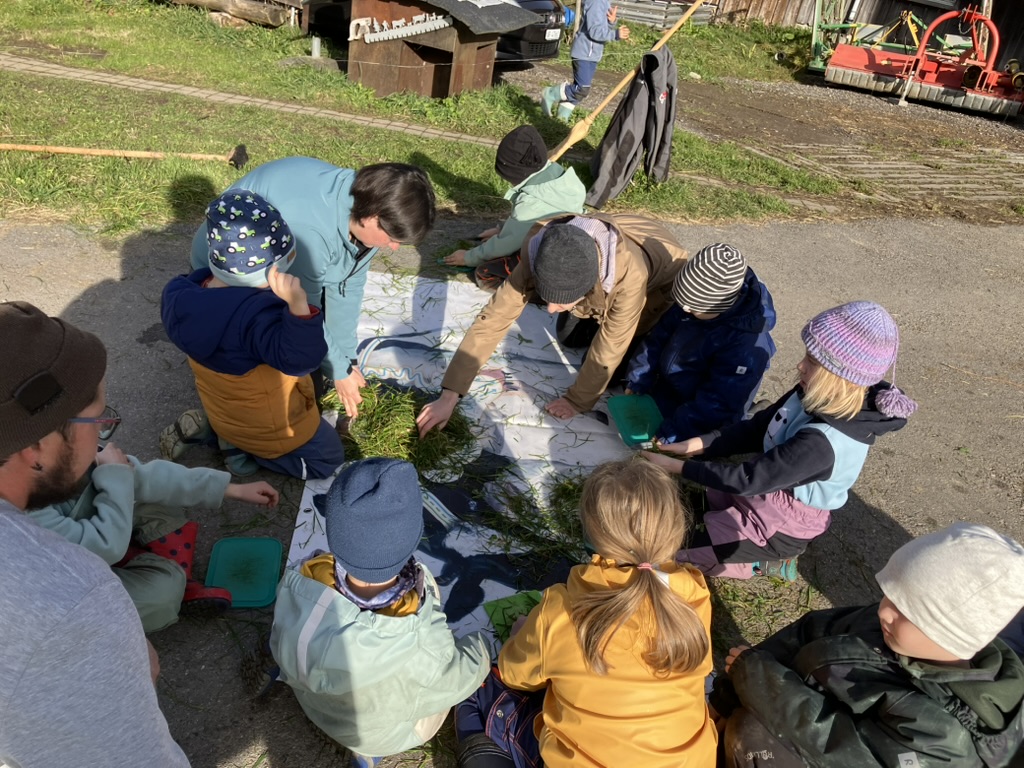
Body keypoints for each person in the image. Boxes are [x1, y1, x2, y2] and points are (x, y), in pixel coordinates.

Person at [0, 301, 189, 766]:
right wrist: (112, 650)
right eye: (96, 421)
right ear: (37, 447)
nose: (103, 435)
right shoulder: (69, 597)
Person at [454, 459, 717, 768]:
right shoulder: (694, 594)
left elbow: (517, 676)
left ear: (590, 534)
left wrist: (522, 635)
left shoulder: (562, 611)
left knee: (474, 685)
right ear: (675, 527)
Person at [711, 522, 1024, 768]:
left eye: (905, 609)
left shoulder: (944, 738)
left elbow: (834, 745)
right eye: (889, 594)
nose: (884, 610)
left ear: (950, 634)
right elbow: (807, 631)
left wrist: (756, 679)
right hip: (790, 698)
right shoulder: (893, 628)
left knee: (750, 734)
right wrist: (727, 694)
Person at [643, 300, 917, 580]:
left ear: (840, 377)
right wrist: (701, 444)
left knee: (672, 548)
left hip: (781, 524)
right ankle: (740, 539)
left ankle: (761, 561)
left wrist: (679, 467)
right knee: (689, 508)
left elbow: (749, 478)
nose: (800, 365)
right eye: (806, 356)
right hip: (765, 487)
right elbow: (759, 426)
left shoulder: (822, 444)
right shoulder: (812, 391)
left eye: (812, 362)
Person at [270, 458, 491, 767]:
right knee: (430, 703)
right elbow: (455, 681)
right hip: (374, 734)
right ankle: (369, 752)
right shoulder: (420, 642)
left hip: (312, 702)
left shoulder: (299, 580)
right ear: (414, 538)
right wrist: (482, 649)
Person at [189, 158, 436, 418]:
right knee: (264, 366)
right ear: (372, 217)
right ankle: (231, 421)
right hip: (230, 274)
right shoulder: (309, 234)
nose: (393, 247)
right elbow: (305, 310)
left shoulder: (371, 204)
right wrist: (338, 371)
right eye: (393, 239)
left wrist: (347, 360)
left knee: (314, 358)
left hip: (284, 267)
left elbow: (348, 286)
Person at [417, 213, 688, 436]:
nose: (549, 310)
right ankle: (587, 314)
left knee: (610, 373)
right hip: (604, 256)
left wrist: (577, 401)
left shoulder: (631, 279)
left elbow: (612, 345)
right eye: (547, 299)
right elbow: (494, 318)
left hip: (659, 280)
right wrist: (450, 394)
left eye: (560, 302)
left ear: (588, 288)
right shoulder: (544, 247)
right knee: (568, 337)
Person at [166, 189, 346, 479]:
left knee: (230, 415)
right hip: (267, 424)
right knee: (328, 460)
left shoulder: (180, 292)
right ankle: (242, 450)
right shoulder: (258, 318)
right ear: (272, 271)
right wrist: (298, 306)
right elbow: (302, 361)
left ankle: (223, 434)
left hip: (222, 407)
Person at [29, 441, 279, 631]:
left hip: (98, 539)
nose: (102, 436)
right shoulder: (26, 513)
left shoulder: (71, 447)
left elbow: (148, 478)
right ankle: (171, 585)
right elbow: (103, 548)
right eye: (94, 423)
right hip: (68, 586)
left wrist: (231, 489)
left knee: (153, 497)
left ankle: (158, 567)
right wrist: (115, 474)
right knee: (159, 597)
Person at [625, 243, 776, 444]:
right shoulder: (691, 305)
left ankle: (751, 418)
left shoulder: (745, 347)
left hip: (709, 409)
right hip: (676, 388)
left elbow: (717, 402)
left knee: (701, 437)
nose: (685, 309)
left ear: (718, 305)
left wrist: (670, 434)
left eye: (692, 307)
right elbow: (657, 340)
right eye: (682, 302)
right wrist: (638, 378)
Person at [442, 125, 586, 292]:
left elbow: (505, 244)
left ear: (514, 173)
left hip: (554, 262)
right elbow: (536, 217)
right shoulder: (560, 175)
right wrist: (503, 230)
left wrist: (468, 257)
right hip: (572, 242)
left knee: (485, 273)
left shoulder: (529, 204)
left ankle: (540, 292)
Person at [541, 0, 630, 121]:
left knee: (580, 88)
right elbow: (594, 31)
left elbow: (601, 28)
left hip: (592, 54)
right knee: (582, 89)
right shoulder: (596, 3)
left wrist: (611, 22)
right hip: (583, 52)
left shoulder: (604, 2)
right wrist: (615, 34)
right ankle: (550, 93)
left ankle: (561, 117)